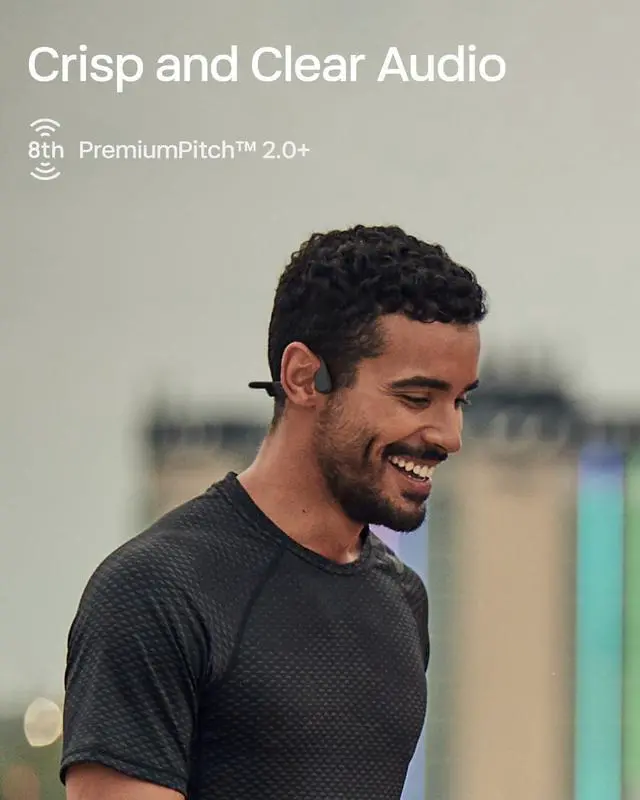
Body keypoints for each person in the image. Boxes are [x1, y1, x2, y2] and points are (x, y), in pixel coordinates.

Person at [60, 224, 487, 799]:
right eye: (417, 398)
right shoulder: (156, 590)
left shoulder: (402, 599)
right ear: (304, 377)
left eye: (459, 401)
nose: (450, 435)